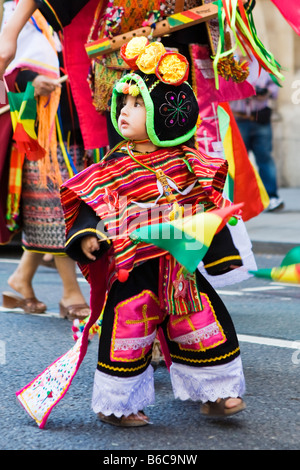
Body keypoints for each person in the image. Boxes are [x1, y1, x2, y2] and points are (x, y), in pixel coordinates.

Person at [60, 43, 247, 427]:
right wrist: (88, 235)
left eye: (137, 104)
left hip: (181, 277)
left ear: (167, 115)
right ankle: (117, 404)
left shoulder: (187, 162)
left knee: (203, 327)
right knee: (127, 332)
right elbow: (93, 201)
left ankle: (218, 393)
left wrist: (220, 255)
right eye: (123, 103)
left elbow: (207, 208)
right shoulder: (116, 163)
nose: (124, 111)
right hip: (136, 272)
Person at [1, 2, 90, 318]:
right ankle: (70, 292)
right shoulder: (19, 13)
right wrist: (31, 82)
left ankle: (21, 278)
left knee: (53, 206)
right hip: (44, 129)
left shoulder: (71, 10)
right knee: (58, 206)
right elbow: (10, 70)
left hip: (77, 118)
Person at [230, 54, 284, 212]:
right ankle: (241, 199)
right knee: (239, 160)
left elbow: (275, 90)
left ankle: (272, 196)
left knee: (265, 157)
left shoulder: (262, 62)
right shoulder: (229, 62)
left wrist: (263, 91)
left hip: (260, 119)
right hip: (239, 119)